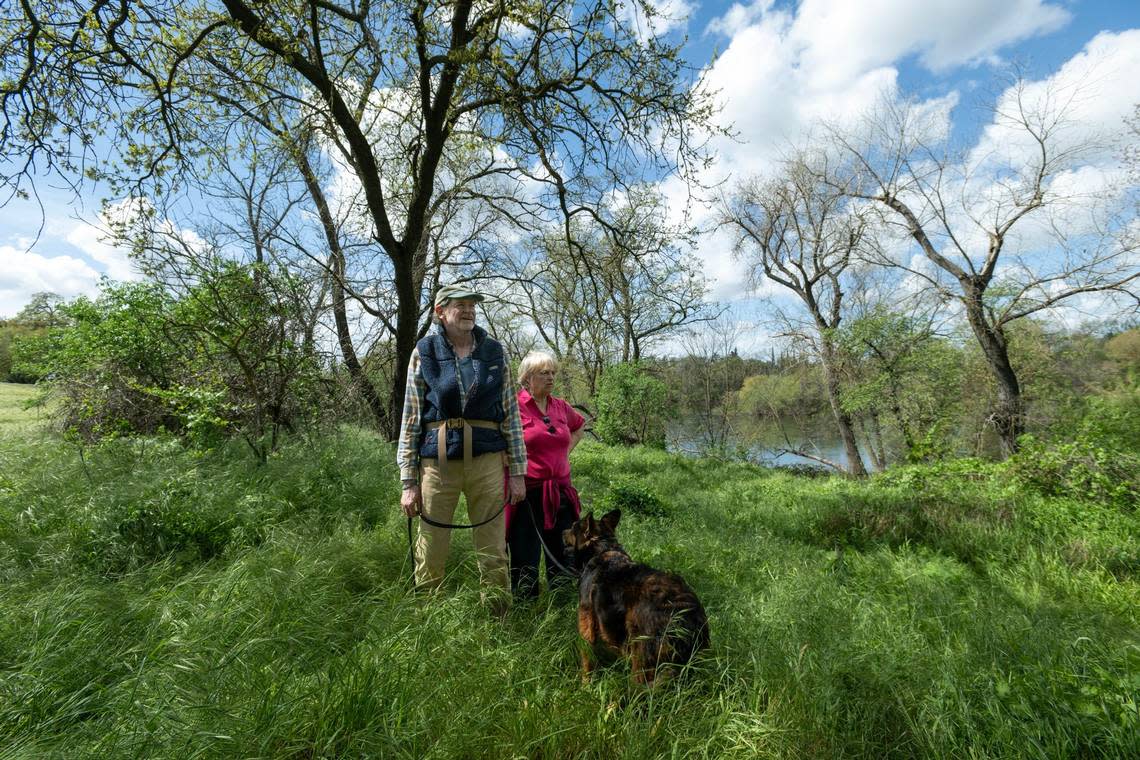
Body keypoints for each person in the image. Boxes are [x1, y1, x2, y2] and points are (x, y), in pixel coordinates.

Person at [396, 284, 527, 606]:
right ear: (440, 312)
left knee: (493, 547)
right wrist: (408, 481)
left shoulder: (494, 352)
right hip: (437, 463)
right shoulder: (424, 352)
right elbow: (411, 416)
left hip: (488, 461)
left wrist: (519, 471)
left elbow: (510, 414)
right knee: (431, 545)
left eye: (472, 305)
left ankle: (499, 615)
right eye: (460, 305)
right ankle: (430, 616)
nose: (469, 311)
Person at [507, 351, 586, 598]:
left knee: (564, 552)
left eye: (553, 373)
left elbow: (579, 425)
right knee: (525, 555)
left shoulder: (560, 406)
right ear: (528, 378)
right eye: (544, 373)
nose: (551, 377)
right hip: (527, 495)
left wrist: (564, 453)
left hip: (560, 494)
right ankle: (526, 611)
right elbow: (500, 444)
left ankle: (561, 604)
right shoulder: (513, 407)